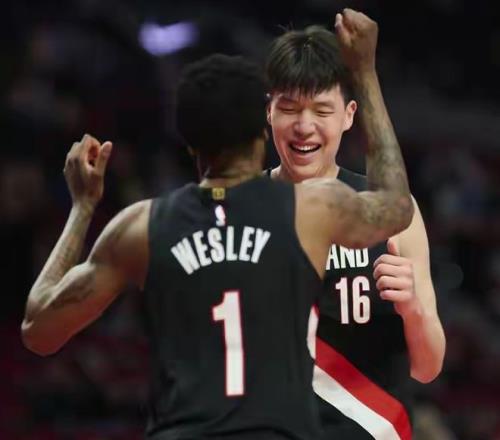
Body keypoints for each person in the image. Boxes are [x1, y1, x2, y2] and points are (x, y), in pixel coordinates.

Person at [21, 54, 413, 439]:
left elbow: (39, 331)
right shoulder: (311, 209)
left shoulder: (141, 228)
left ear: (189, 142)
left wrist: (82, 207)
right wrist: (364, 70)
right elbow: (396, 206)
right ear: (262, 132)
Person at [265, 9, 446, 439]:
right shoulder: (239, 211)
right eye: (289, 108)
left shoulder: (391, 212)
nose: (304, 126)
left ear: (348, 115)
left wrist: (411, 308)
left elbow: (428, 368)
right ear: (268, 111)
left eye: (321, 110)